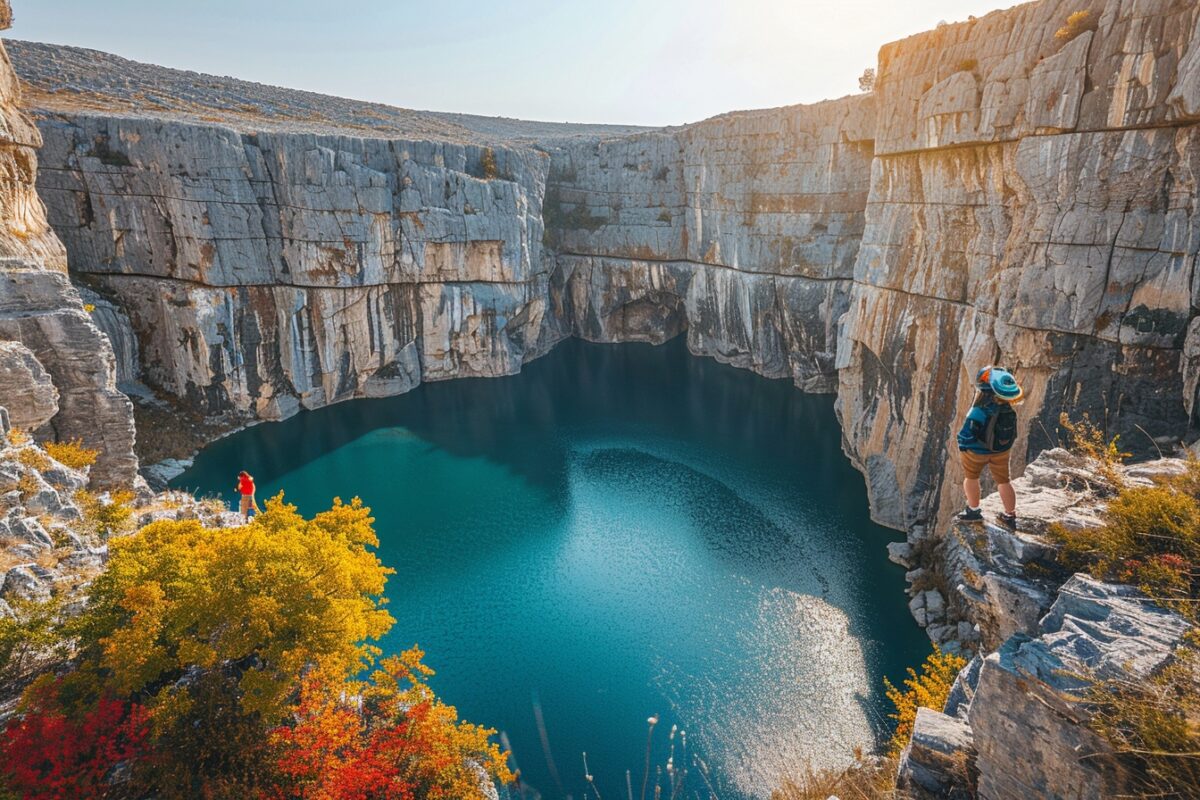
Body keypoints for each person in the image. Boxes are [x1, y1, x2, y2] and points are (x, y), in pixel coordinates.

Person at [956, 366, 1022, 529]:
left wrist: (962, 445)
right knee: (1004, 481)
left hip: (976, 451)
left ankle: (974, 510)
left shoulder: (979, 409)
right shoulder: (1008, 409)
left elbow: (967, 432)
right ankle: (1010, 515)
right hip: (1001, 451)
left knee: (971, 478)